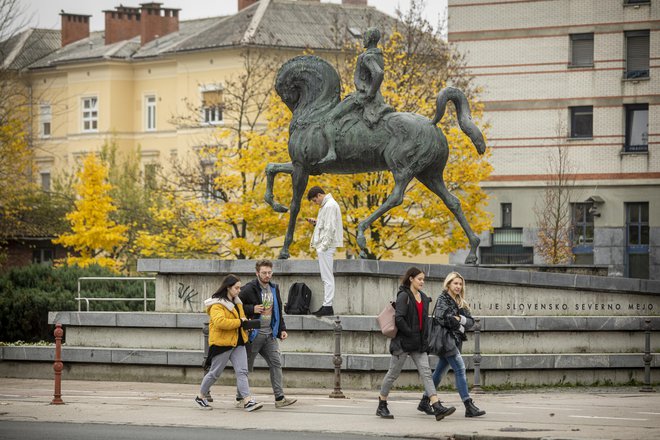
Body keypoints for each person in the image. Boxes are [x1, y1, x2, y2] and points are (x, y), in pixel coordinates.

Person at [376, 267, 456, 421]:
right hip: (403, 343)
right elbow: (399, 318)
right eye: (419, 279)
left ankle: (436, 405)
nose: (422, 282)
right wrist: (411, 333)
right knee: (393, 374)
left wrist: (424, 339)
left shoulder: (424, 297)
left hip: (418, 344)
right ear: (411, 279)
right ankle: (382, 403)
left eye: (423, 279)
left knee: (426, 373)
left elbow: (424, 321)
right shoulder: (403, 296)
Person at [318, 27, 393, 165]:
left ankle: (331, 152)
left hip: (362, 96)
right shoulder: (379, 55)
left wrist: (369, 92)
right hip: (376, 97)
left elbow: (378, 73)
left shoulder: (366, 56)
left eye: (364, 37)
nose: (362, 39)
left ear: (369, 39)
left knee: (329, 118)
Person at [418, 272, 486, 418]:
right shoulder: (443, 299)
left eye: (460, 284)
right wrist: (460, 322)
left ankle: (424, 401)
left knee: (440, 371)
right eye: (455, 283)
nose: (458, 286)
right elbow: (444, 319)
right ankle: (469, 406)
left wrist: (459, 319)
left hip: (453, 340)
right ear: (448, 284)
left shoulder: (460, 301)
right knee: (460, 369)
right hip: (445, 341)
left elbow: (471, 322)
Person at [195, 274, 263, 412]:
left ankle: (247, 400)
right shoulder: (217, 304)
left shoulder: (238, 303)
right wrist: (240, 322)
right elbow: (220, 323)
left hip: (238, 341)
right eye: (236, 288)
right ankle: (201, 396)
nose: (239, 290)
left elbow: (242, 318)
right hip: (222, 343)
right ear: (228, 288)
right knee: (214, 373)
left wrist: (246, 324)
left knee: (242, 371)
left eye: (239, 287)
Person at [238, 260, 297, 408]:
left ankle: (280, 398)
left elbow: (278, 310)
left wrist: (282, 329)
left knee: (276, 363)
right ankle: (240, 398)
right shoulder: (249, 288)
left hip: (270, 334)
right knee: (246, 367)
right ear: (257, 273)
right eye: (264, 272)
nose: (267, 275)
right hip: (254, 335)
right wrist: (252, 309)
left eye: (269, 272)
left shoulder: (273, 288)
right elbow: (236, 305)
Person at [306, 186, 343, 317]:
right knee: (326, 277)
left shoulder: (329, 206)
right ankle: (327, 305)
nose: (315, 203)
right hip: (326, 245)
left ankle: (327, 306)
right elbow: (328, 225)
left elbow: (330, 228)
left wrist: (323, 246)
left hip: (326, 246)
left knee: (327, 277)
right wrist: (317, 223)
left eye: (314, 200)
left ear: (319, 195)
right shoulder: (328, 205)